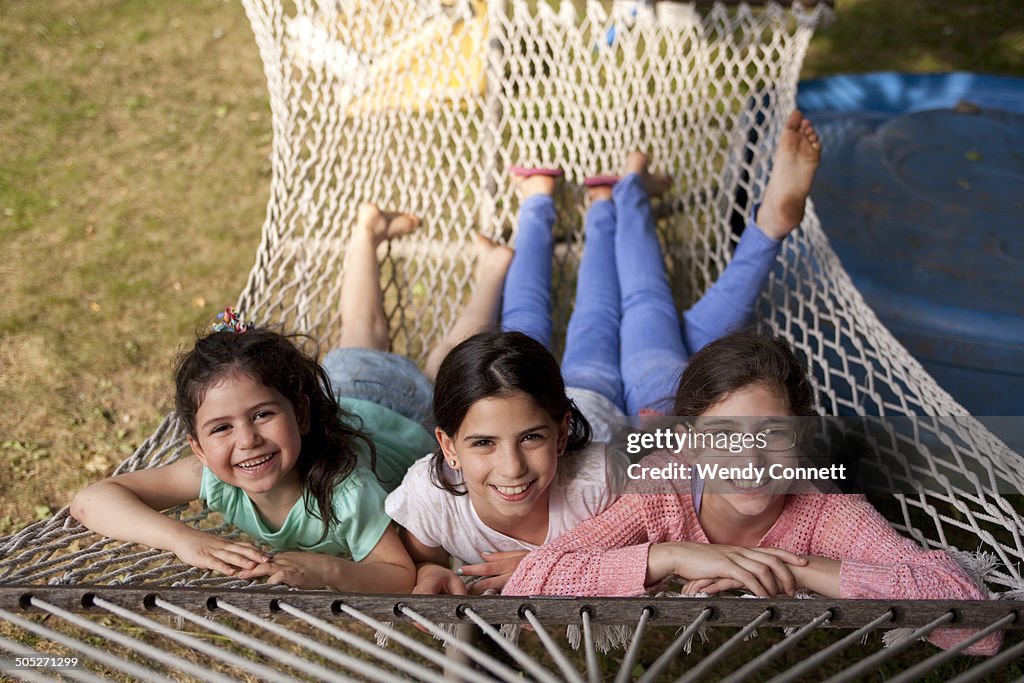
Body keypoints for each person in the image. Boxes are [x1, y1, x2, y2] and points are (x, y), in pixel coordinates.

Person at [69, 203, 514, 593]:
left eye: (262, 415)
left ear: (301, 413)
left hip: (396, 413)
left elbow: (398, 573)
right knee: (364, 332)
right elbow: (92, 500)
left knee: (434, 360)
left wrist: (329, 569)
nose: (247, 441)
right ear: (198, 449)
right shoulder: (215, 475)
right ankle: (371, 230)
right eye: (222, 428)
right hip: (348, 406)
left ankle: (475, 264)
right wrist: (185, 540)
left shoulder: (344, 490)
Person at [503, 329, 1002, 656]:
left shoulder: (826, 508)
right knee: (639, 322)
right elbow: (531, 585)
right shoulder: (663, 490)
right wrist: (677, 554)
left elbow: (977, 626)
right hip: (643, 400)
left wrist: (793, 566)